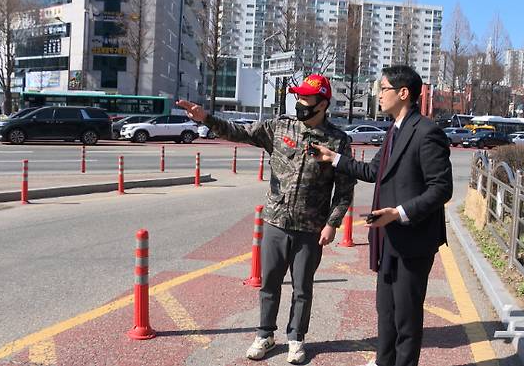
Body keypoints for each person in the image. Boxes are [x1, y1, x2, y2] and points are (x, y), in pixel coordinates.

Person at [176, 74, 356, 364]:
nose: (299, 103)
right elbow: (239, 132)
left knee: (302, 289)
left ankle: (296, 338)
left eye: (306, 99)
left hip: (310, 229)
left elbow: (345, 189)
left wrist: (332, 223)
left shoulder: (338, 141)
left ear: (322, 104)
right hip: (275, 222)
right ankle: (265, 335)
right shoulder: (279, 126)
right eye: (297, 97)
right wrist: (206, 117)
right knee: (269, 284)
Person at [312, 65, 453, 366]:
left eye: (383, 89)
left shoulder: (427, 133)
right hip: (388, 236)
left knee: (406, 315)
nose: (378, 95)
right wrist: (334, 158)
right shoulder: (395, 129)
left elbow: (441, 189)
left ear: (403, 93)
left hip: (413, 239)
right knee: (385, 309)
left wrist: (399, 213)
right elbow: (374, 171)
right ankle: (383, 361)